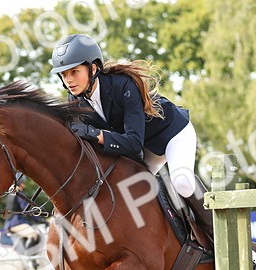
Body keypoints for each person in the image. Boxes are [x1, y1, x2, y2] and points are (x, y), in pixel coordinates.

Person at [49, 33, 214, 247]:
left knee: (181, 182)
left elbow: (134, 143)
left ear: (93, 68)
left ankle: (221, 234)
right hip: (146, 148)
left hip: (172, 134)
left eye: (74, 72)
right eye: (63, 74)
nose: (68, 80)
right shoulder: (75, 102)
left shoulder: (122, 85)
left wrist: (95, 134)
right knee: (130, 192)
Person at [2, 179, 47, 255]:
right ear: (19, 183)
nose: (24, 185)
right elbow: (27, 210)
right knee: (34, 234)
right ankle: (30, 258)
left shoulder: (10, 194)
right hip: (16, 223)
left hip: (10, 222)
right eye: (23, 183)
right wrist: (39, 219)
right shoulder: (19, 194)